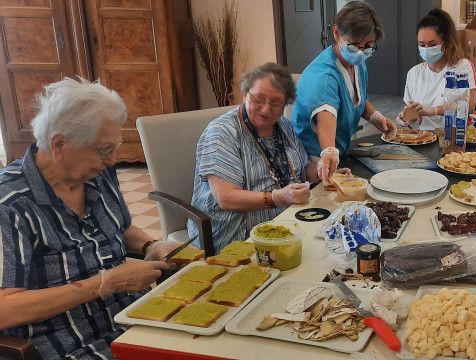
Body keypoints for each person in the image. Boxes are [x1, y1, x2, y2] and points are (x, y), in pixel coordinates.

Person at [0, 78, 185, 358]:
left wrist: (151, 245)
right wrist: (103, 284)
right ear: (59, 144)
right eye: (104, 150)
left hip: (132, 318)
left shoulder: (97, 173)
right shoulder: (10, 205)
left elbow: (119, 229)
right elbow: (5, 310)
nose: (112, 161)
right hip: (72, 346)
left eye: (114, 148)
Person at [189, 63, 347, 253]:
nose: (265, 110)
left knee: (335, 247)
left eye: (275, 103)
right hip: (235, 235)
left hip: (289, 219)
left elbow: (303, 170)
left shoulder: (282, 125)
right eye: (259, 99)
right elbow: (226, 198)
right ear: (245, 95)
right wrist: (278, 197)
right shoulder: (223, 132)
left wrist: (327, 173)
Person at [291, 1, 397, 183]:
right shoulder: (324, 76)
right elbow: (326, 115)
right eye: (355, 45)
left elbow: (355, 98)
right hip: (313, 160)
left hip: (339, 151)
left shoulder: (357, 63)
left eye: (368, 46)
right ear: (336, 33)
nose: (361, 52)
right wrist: (329, 152)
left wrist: (375, 117)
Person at [400, 8, 476, 130]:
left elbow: (469, 107)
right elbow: (415, 113)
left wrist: (434, 110)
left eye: (432, 45)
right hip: (426, 136)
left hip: (458, 134)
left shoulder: (462, 67)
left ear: (446, 42)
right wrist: (406, 118)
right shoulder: (414, 73)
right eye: (422, 45)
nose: (426, 49)